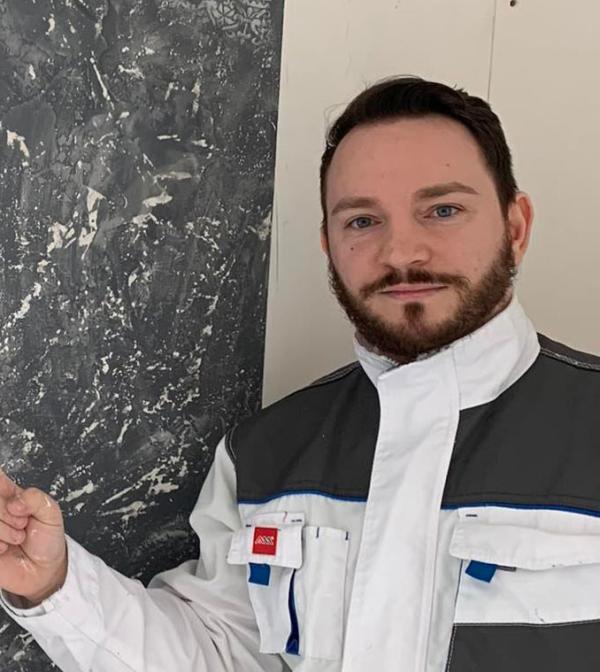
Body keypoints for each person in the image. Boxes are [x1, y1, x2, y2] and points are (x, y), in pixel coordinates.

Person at [1, 75, 600, 672]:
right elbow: (219, 655)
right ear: (328, 244)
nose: (401, 252)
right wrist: (55, 585)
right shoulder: (264, 455)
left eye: (443, 210)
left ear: (515, 228)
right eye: (362, 221)